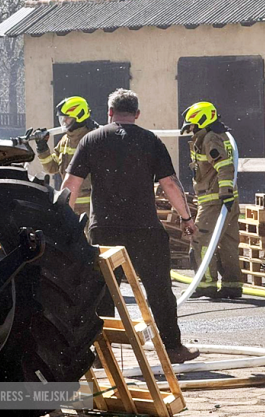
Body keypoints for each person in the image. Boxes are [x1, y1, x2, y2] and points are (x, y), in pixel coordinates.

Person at [61, 88, 199, 364]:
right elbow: (170, 184)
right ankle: (172, 348)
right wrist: (186, 218)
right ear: (137, 114)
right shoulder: (151, 141)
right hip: (145, 229)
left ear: (109, 112)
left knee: (102, 292)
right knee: (159, 288)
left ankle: (101, 354)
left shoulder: (91, 140)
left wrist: (63, 224)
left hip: (104, 229)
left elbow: (70, 185)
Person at [179, 101, 242, 300]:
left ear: (201, 121)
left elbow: (224, 166)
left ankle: (206, 284)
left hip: (215, 201)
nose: (190, 130)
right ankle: (232, 285)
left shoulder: (210, 139)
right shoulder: (219, 136)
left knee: (201, 240)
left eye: (192, 126)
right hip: (227, 200)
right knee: (227, 242)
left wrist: (224, 191)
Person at [28, 96, 99, 217]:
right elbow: (51, 167)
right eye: (62, 118)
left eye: (67, 118)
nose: (64, 122)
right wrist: (42, 148)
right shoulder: (66, 140)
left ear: (79, 116)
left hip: (90, 207)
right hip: (69, 205)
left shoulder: (94, 139)